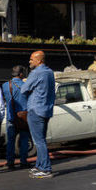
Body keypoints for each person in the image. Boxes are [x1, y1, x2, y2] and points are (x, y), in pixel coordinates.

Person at [22, 51, 57, 179]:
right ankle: (40, 165)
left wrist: (26, 83)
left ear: (39, 61)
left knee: (39, 141)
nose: (30, 61)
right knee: (41, 139)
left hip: (35, 110)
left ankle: (46, 168)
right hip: (46, 110)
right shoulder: (49, 72)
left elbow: (23, 89)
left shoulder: (36, 72)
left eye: (32, 59)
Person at [3, 65, 31, 170]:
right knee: (24, 140)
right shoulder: (26, 85)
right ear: (21, 74)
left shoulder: (5, 85)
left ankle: (10, 162)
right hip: (24, 117)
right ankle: (23, 161)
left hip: (11, 117)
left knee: (10, 141)